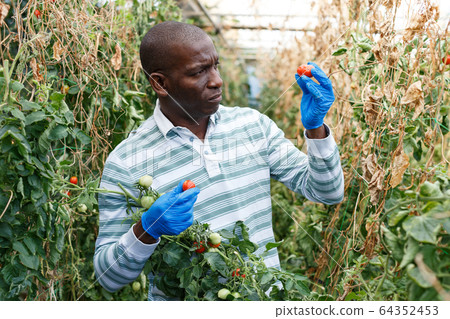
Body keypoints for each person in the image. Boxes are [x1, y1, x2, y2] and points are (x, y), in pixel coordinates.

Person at [93, 21, 344, 300]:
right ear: (160, 83)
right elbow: (107, 277)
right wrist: (146, 231)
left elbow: (328, 192)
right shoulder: (127, 161)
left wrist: (316, 130)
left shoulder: (253, 126)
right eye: (198, 71)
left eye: (215, 66)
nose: (216, 80)